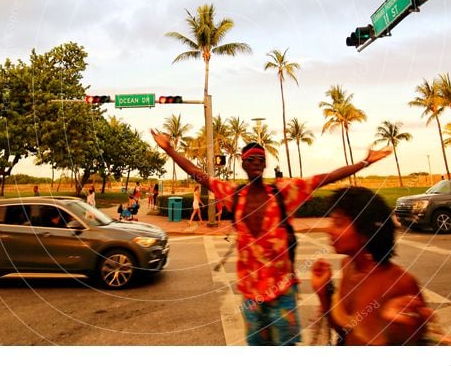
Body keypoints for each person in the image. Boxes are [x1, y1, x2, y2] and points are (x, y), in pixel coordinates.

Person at [151, 129, 391, 346]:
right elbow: (197, 174)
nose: (257, 163)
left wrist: (365, 161)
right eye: (251, 160)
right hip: (250, 296)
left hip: (282, 293)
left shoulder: (283, 193)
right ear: (243, 164)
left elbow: (325, 178)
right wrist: (169, 149)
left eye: (261, 160)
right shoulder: (234, 195)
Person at [310, 187, 435, 345]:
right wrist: (323, 291)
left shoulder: (400, 283)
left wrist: (400, 331)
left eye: (338, 223)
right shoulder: (348, 265)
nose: (329, 230)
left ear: (365, 233)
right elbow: (345, 333)